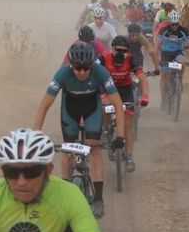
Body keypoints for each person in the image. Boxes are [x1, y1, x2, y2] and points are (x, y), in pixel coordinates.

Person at [33, 41, 126, 218]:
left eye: (86, 68)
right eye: (78, 67)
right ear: (71, 65)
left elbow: (118, 105)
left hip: (92, 109)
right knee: (68, 150)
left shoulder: (100, 72)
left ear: (92, 65)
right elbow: (43, 106)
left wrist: (120, 136)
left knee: (95, 149)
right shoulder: (63, 73)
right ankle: (64, 194)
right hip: (71, 110)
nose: (82, 72)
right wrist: (35, 136)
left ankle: (98, 199)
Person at [101, 36, 149, 171]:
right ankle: (105, 131)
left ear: (128, 51)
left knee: (128, 123)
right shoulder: (104, 58)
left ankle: (129, 156)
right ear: (112, 49)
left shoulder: (131, 59)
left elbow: (142, 78)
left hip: (125, 91)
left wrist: (145, 96)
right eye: (118, 51)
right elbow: (92, 72)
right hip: (108, 90)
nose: (121, 54)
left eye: (124, 51)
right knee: (105, 108)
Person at [153, 10, 189, 108]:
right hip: (165, 54)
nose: (175, 27)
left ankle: (179, 80)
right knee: (164, 76)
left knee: (183, 61)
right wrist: (156, 62)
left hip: (177, 53)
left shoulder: (183, 30)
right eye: (173, 25)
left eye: (176, 24)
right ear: (169, 23)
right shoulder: (163, 30)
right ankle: (163, 97)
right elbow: (156, 47)